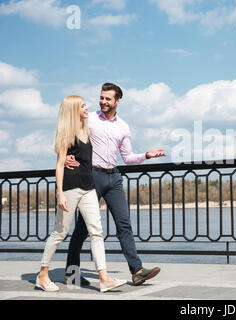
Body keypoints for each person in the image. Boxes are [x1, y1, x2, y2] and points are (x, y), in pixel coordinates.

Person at [64, 83, 167, 286]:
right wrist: (66, 155)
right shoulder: (89, 118)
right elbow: (66, 135)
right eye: (101, 97)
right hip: (91, 176)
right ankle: (72, 273)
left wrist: (146, 155)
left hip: (114, 178)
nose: (103, 101)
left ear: (117, 101)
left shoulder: (123, 126)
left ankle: (137, 271)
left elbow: (127, 157)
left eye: (107, 99)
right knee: (83, 228)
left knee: (124, 224)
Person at [36, 95, 127, 293]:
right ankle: (42, 275)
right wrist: (60, 194)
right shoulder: (66, 134)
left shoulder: (88, 130)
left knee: (96, 231)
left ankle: (104, 278)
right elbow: (59, 165)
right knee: (60, 232)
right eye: (83, 106)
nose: (87, 108)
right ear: (73, 110)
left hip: (89, 187)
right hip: (70, 187)